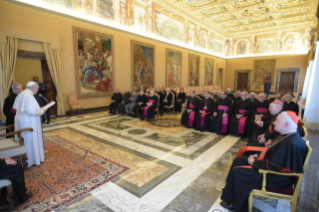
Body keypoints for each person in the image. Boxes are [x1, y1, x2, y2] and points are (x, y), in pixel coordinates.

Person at [220, 111, 307, 212]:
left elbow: (274, 165)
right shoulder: (288, 135)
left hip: (276, 178)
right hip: (276, 171)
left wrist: (254, 163)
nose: (274, 123)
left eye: (277, 121)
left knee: (238, 171)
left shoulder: (290, 142)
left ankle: (234, 204)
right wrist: (258, 156)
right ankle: (230, 191)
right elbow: (274, 151)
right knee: (238, 160)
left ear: (286, 124)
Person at [13, 81, 47, 167]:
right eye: (37, 88)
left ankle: (23, 157)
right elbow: (32, 111)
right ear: (33, 87)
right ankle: (31, 159)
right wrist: (42, 110)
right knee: (29, 139)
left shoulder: (22, 93)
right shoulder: (28, 96)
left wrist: (38, 109)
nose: (38, 90)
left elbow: (30, 108)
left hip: (22, 120)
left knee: (25, 138)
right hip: (28, 122)